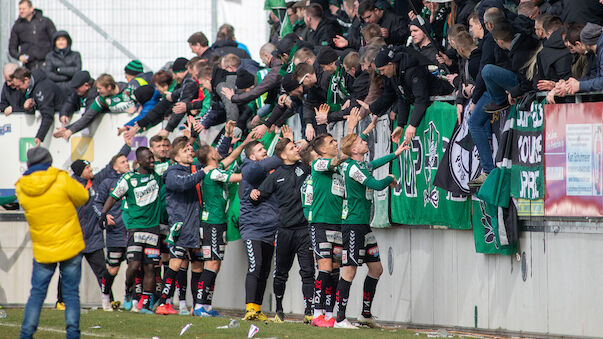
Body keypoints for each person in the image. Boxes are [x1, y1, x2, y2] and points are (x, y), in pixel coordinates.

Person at [334, 131, 408, 329]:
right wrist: (390, 178)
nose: (364, 142)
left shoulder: (361, 165)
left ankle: (365, 315)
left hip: (363, 225)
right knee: (349, 271)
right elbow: (375, 184)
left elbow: (374, 164)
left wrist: (396, 154)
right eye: (360, 141)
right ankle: (340, 318)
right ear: (353, 150)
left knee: (376, 269)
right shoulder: (351, 168)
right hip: (353, 224)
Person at [16, 147, 88, 339]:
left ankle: (26, 334)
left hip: (43, 248)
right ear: (49, 161)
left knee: (37, 294)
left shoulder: (21, 186)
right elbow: (83, 197)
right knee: (71, 294)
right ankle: (73, 335)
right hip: (70, 244)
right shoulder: (61, 178)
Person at [250, 134, 315, 323]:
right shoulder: (276, 174)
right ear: (284, 155)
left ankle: (309, 312)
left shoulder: (305, 168)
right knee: (281, 273)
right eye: (292, 148)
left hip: (305, 230)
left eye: (296, 146)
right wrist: (254, 194)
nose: (296, 149)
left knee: (308, 271)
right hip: (285, 231)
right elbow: (258, 196)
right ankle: (279, 310)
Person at [70, 136, 132, 311]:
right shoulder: (69, 185)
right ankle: (62, 300)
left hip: (94, 237)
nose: (91, 169)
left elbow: (110, 166)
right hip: (73, 238)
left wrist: (127, 146)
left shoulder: (96, 181)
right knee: (68, 272)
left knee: (103, 272)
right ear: (80, 172)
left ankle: (109, 300)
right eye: (88, 168)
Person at [100, 147, 164, 314]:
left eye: (152, 158)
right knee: (134, 266)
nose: (152, 161)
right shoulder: (128, 178)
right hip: (135, 228)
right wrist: (104, 213)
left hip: (153, 229)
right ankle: (128, 289)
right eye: (149, 159)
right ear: (140, 161)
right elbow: (113, 197)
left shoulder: (156, 176)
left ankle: (146, 305)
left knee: (150, 267)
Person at [192, 133, 250, 316]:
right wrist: (257, 168)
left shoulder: (216, 168)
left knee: (215, 264)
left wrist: (245, 143)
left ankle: (206, 305)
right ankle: (200, 305)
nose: (218, 151)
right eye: (214, 149)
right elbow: (236, 178)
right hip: (212, 224)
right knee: (212, 264)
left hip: (218, 223)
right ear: (210, 155)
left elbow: (232, 157)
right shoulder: (213, 172)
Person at [153, 137, 210, 315]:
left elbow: (212, 159)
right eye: (186, 150)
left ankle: (198, 306)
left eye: (190, 149)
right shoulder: (172, 172)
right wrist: (204, 171)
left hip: (196, 225)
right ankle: (164, 303)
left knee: (198, 265)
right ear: (176, 156)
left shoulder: (194, 168)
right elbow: (183, 184)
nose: (190, 151)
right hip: (181, 226)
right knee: (175, 263)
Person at [369, 46, 453, 144]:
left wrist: (413, 125)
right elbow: (403, 97)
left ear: (390, 64)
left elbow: (421, 98)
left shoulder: (413, 70)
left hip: (446, 100)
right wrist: (401, 125)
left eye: (382, 70)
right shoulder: (395, 74)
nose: (382, 73)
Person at [239, 140, 282, 321]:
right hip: (252, 228)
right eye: (260, 150)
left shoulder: (268, 172)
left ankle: (257, 309)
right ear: (251, 156)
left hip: (270, 228)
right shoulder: (250, 167)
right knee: (255, 266)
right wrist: (282, 154)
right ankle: (249, 308)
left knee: (264, 271)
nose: (264, 151)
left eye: (264, 148)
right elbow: (267, 164)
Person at [93, 152, 131, 313]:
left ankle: (132, 299)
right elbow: (97, 204)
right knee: (112, 269)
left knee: (135, 267)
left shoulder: (134, 180)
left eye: (127, 161)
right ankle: (105, 296)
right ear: (115, 167)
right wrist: (104, 215)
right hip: (115, 233)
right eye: (123, 162)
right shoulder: (107, 183)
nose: (127, 164)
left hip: (132, 232)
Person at [11, 67, 65, 146]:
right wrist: (29, 108)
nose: (17, 89)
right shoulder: (32, 86)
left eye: (18, 86)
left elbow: (47, 115)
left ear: (26, 80)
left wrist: (39, 136)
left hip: (61, 122)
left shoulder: (42, 88)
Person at [9, 0, 56, 70]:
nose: (21, 11)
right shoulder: (17, 26)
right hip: (28, 65)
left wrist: (50, 59)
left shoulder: (44, 22)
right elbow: (12, 47)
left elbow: (55, 40)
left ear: (31, 9)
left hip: (45, 63)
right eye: (20, 9)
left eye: (24, 9)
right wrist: (19, 56)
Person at [44, 30, 82, 95]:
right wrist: (66, 77)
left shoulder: (75, 55)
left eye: (63, 39)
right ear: (55, 42)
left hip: (72, 88)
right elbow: (49, 74)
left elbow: (77, 70)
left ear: (68, 41)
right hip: (55, 88)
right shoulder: (50, 56)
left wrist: (59, 70)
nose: (61, 42)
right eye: (58, 40)